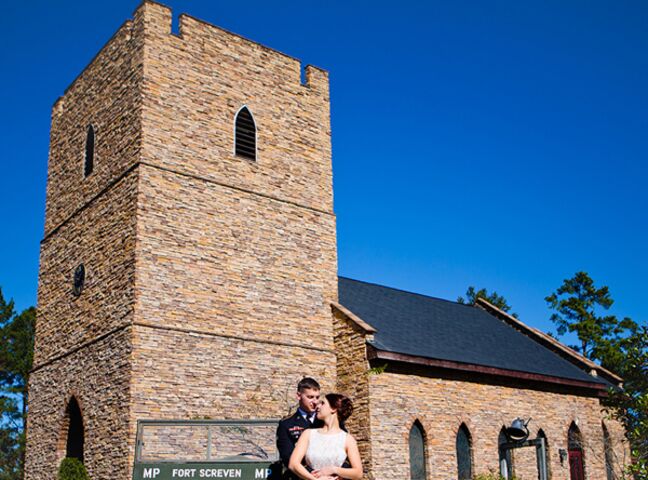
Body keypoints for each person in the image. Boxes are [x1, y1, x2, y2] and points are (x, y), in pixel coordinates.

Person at [288, 394, 363, 480]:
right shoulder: (308, 434)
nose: (317, 406)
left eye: (322, 403)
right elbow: (293, 464)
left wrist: (333, 470)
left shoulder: (347, 439)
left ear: (333, 409)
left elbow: (358, 473)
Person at [277, 378, 323, 478]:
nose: (315, 402)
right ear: (299, 396)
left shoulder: (326, 420)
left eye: (317, 397)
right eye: (310, 397)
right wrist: (316, 475)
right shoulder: (287, 424)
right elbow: (288, 457)